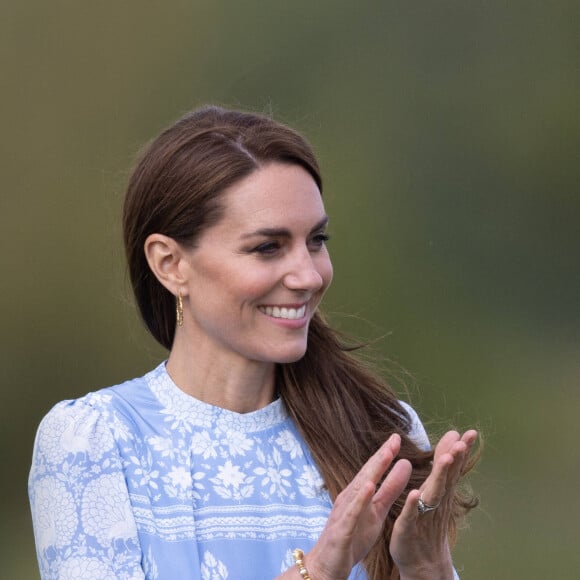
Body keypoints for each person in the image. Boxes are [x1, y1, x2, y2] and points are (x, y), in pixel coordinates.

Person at [29, 106, 478, 580]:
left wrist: (428, 568)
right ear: (170, 264)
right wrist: (318, 571)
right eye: (268, 247)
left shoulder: (378, 433)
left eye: (317, 240)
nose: (308, 275)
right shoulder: (95, 442)